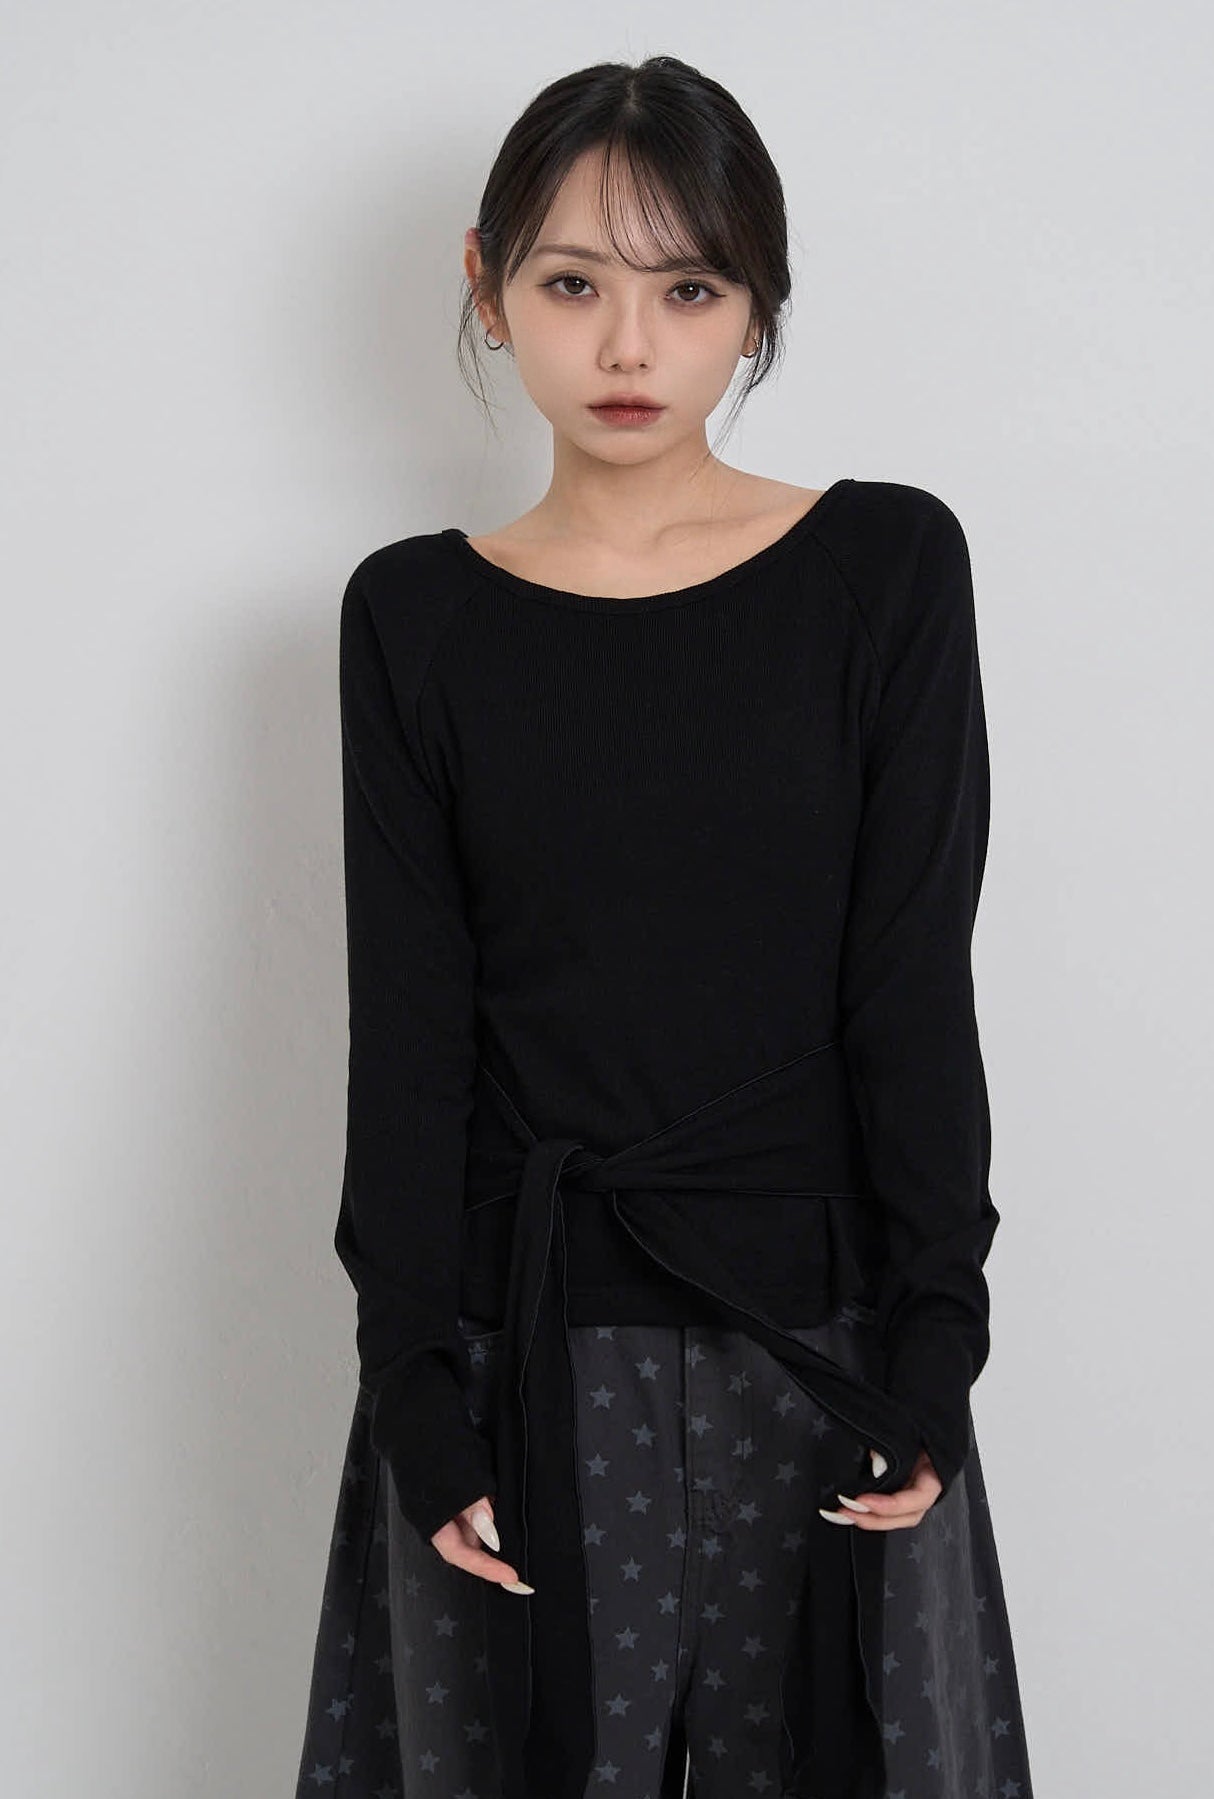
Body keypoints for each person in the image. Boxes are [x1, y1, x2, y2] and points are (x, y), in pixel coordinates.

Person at [295, 53, 1034, 1799]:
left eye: (688, 291)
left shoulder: (882, 571)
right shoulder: (413, 617)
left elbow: (909, 984)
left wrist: (936, 1340)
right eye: (573, 285)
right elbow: (411, 1031)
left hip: (825, 1348)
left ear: (756, 305)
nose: (628, 347)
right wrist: (414, 1384)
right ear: (487, 285)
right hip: (520, 1362)